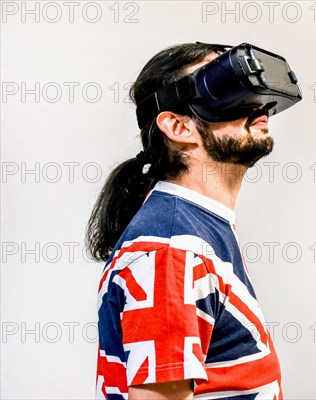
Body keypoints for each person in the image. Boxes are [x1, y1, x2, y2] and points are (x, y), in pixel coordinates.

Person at [86, 42, 287, 400]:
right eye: (226, 88)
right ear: (178, 126)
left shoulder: (196, 230)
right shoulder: (172, 250)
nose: (258, 102)